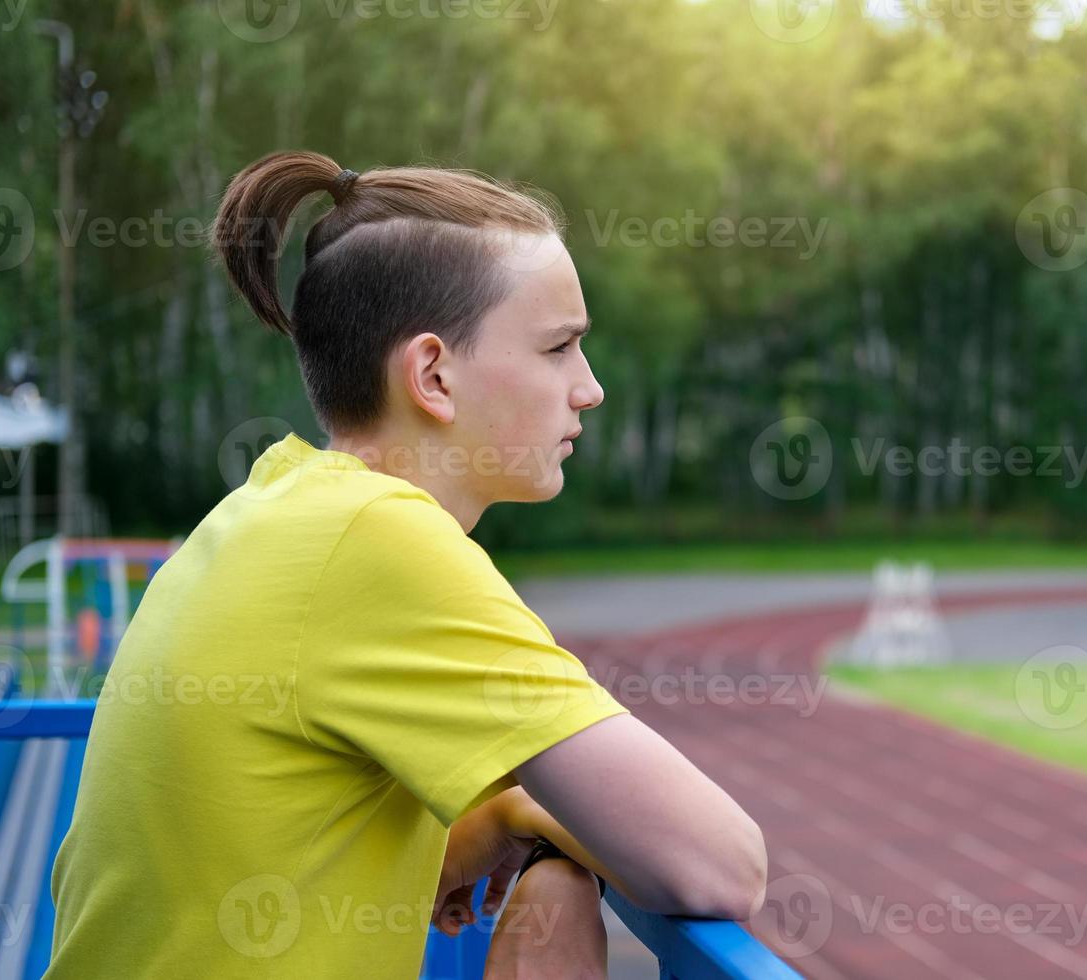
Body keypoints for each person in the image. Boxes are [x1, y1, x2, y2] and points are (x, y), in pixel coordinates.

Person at [46, 150, 768, 979]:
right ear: (432, 375)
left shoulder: (272, 503)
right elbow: (723, 865)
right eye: (559, 348)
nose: (589, 388)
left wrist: (495, 827)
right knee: (561, 896)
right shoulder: (379, 543)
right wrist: (552, 855)